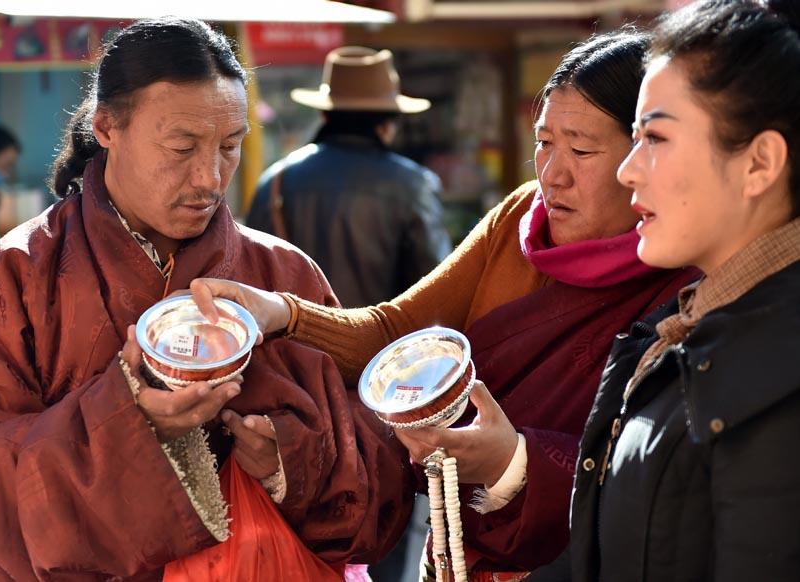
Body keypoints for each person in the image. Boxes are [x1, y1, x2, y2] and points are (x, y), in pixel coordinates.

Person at [0, 18, 412, 581]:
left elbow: (383, 479)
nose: (209, 179)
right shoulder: (16, 279)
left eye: (230, 147)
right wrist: (127, 423)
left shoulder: (285, 275)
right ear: (106, 128)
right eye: (182, 146)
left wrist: (290, 464)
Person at [192, 27, 699, 579]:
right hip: (454, 551)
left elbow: (669, 475)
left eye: (580, 149)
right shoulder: (519, 217)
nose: (551, 174)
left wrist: (515, 463)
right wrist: (282, 314)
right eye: (544, 142)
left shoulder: (689, 274)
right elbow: (403, 330)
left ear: (646, 155)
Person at [530, 1, 800, 580]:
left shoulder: (779, 371)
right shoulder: (677, 328)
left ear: (759, 163)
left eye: (654, 137)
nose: (629, 169)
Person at [246, 46, 451, 308]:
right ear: (388, 125)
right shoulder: (413, 185)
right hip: (382, 346)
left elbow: (249, 276)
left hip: (293, 347)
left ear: (324, 115)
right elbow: (438, 285)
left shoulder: (275, 180)